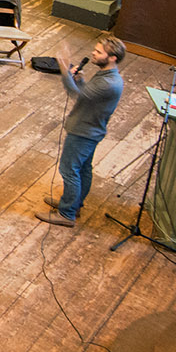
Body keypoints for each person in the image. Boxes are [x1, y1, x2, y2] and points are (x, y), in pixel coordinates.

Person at [38, 37, 127, 227]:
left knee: (69, 170)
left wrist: (64, 70)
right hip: (90, 129)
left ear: (112, 58)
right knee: (84, 169)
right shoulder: (106, 75)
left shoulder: (109, 83)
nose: (93, 53)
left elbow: (77, 94)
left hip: (84, 132)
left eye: (99, 52)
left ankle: (66, 213)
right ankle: (73, 204)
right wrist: (81, 80)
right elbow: (88, 94)